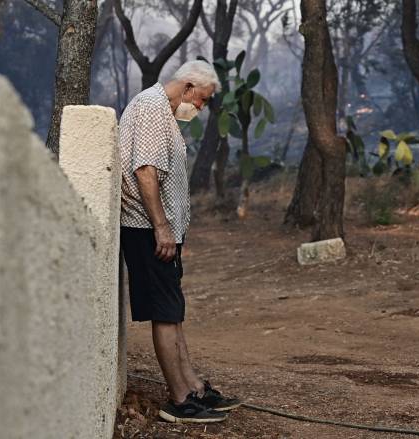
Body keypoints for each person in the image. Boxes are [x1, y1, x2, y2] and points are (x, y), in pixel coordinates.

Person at [119, 60, 239, 423]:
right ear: (187, 87)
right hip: (147, 229)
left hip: (157, 229)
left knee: (172, 311)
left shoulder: (163, 110)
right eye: (200, 100)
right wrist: (161, 227)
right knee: (165, 314)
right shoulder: (153, 108)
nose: (200, 108)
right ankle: (179, 398)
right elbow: (145, 171)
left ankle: (194, 387)